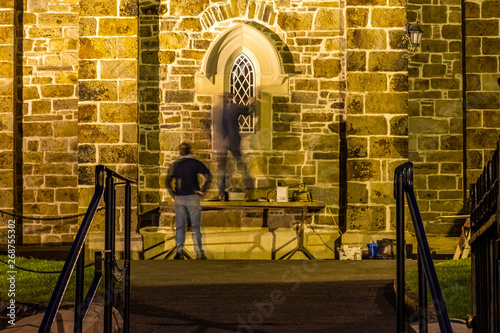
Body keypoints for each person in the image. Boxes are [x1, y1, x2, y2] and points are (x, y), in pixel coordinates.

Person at [166, 142, 212, 260]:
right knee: (196, 227)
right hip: (192, 197)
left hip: (180, 198)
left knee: (180, 226)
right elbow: (208, 176)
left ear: (180, 151)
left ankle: (179, 251)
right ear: (190, 151)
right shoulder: (195, 163)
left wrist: (173, 195)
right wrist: (204, 190)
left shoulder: (175, 165)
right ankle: (199, 253)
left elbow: (167, 181)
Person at [217, 93, 256, 200]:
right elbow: (249, 111)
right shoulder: (233, 107)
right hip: (233, 141)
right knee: (242, 166)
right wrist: (252, 102)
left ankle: (221, 193)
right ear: (231, 98)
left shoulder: (217, 109)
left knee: (221, 169)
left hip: (221, 143)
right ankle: (249, 191)